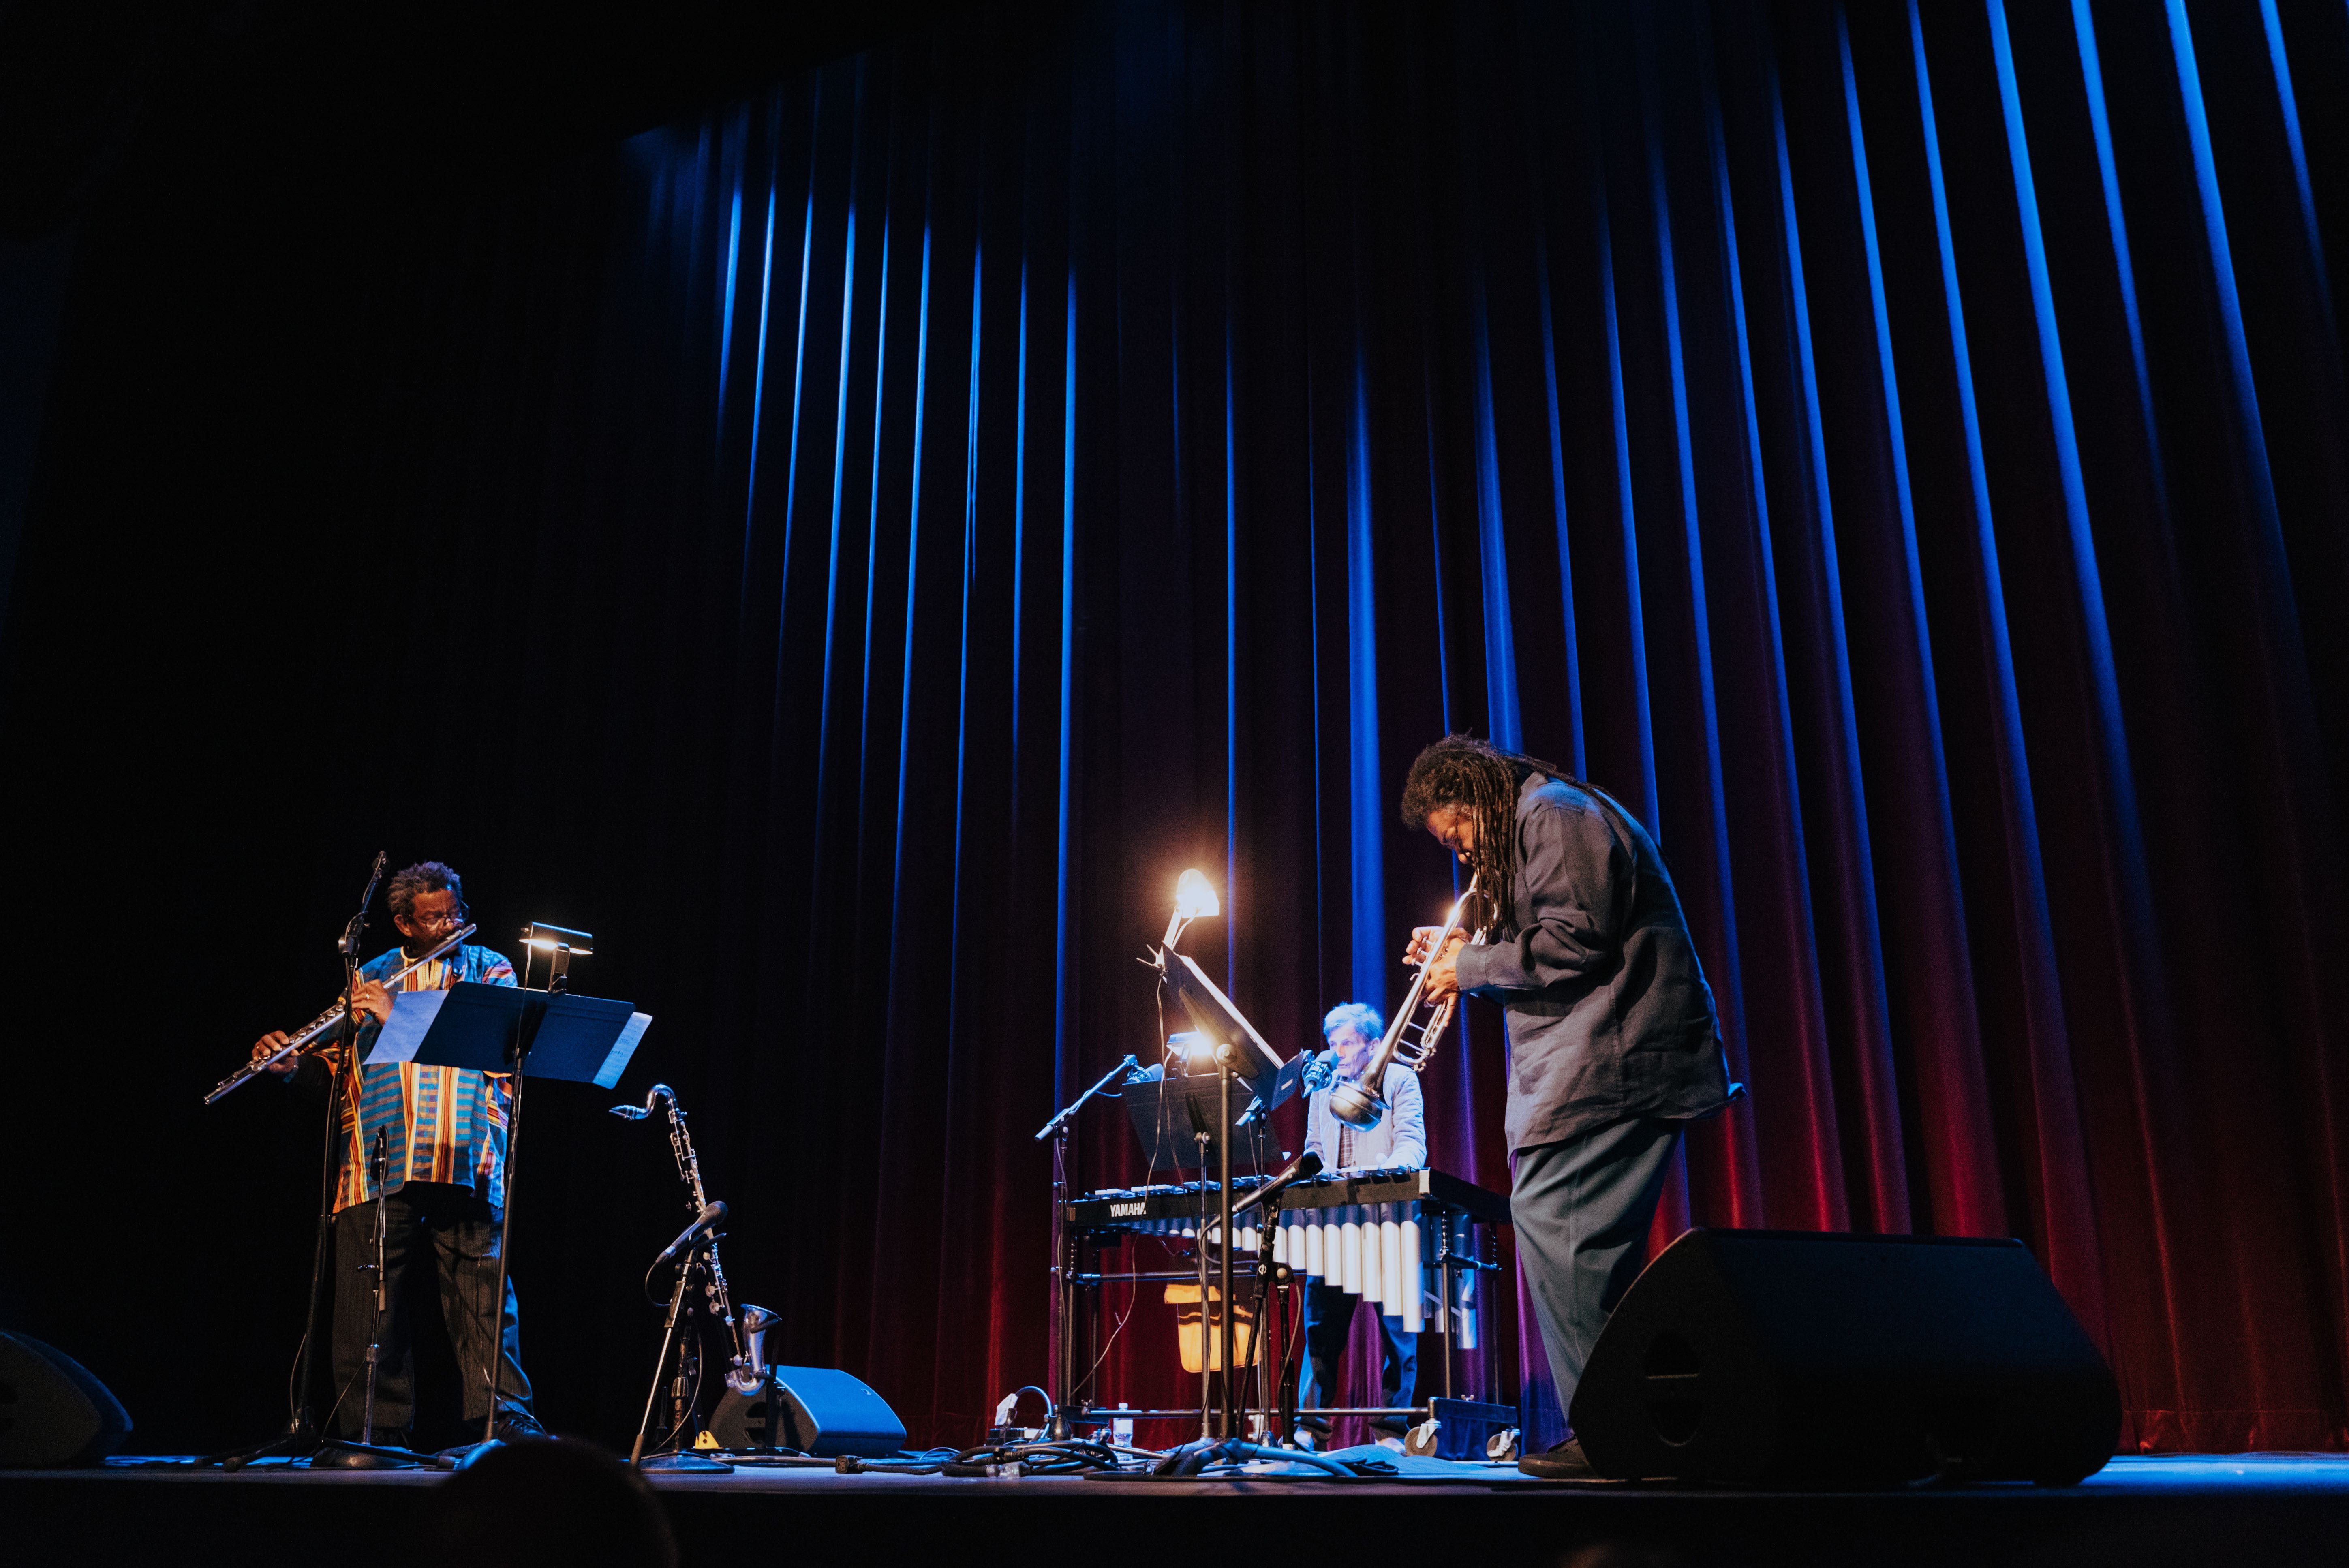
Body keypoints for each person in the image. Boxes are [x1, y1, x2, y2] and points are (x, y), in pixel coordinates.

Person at [1401, 735, 1735, 1478]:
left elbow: (1576, 940)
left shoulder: (1553, 813)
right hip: (1585, 1068)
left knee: (1563, 1234)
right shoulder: (1535, 822)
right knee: (1575, 1248)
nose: (1462, 854)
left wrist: (1472, 963)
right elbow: (1546, 952)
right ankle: (1639, 1425)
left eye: (1457, 835)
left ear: (1476, 797)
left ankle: (1617, 1429)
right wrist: (1466, 955)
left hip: (1614, 1064)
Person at [252, 860, 543, 1450]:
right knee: (370, 1301)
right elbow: (339, 1070)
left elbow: (489, 1044)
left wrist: (398, 1013)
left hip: (466, 1154)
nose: (450, 924)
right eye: (434, 917)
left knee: (484, 1298)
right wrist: (295, 1065)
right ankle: (374, 1430)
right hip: (378, 1154)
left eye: (455, 912)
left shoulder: (489, 967)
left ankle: (505, 1421)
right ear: (405, 924)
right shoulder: (372, 974)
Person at [1295, 1001, 1425, 1444]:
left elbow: (1413, 1144)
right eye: (1333, 1043)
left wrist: (1384, 1171)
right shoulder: (1323, 1088)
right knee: (1320, 1335)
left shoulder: (1400, 1079)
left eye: (1347, 1043)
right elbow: (1315, 1145)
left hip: (1387, 1220)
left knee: (1399, 1337)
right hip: (1334, 1224)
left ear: (1373, 1044)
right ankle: (1309, 1428)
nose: (1338, 1052)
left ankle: (1391, 1430)